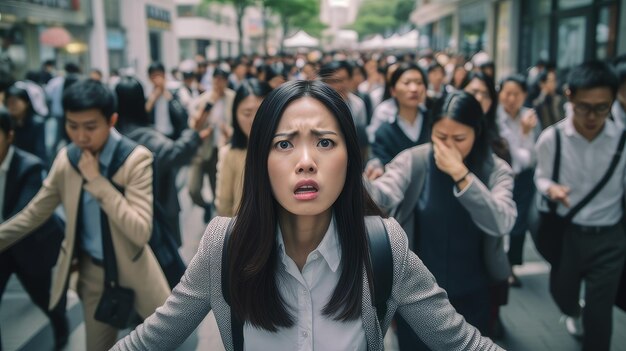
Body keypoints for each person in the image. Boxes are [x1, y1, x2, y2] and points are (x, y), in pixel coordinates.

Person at [111, 80, 502, 351]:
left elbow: (462, 342)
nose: (305, 162)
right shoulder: (223, 248)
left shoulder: (384, 247)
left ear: (351, 159)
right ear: (260, 160)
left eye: (325, 142)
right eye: (284, 144)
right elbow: (148, 341)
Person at [0, 79, 170, 351]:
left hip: (136, 270)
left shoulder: (135, 159)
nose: (80, 137)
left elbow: (140, 231)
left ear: (111, 120)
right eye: (72, 126)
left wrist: (97, 182)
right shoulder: (67, 160)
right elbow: (33, 213)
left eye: (90, 127)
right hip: (93, 274)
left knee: (162, 343)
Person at [365, 91, 516, 350]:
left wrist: (462, 175)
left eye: (459, 138)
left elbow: (502, 221)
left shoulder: (495, 169)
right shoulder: (414, 160)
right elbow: (383, 193)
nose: (448, 146)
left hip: (473, 288)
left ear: (477, 132)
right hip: (417, 295)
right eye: (440, 137)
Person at [534, 60, 626, 351]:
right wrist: (551, 189)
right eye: (584, 107)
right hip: (567, 234)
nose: (592, 116)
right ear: (569, 96)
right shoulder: (553, 138)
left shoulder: (621, 141)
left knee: (600, 315)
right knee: (562, 294)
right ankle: (574, 312)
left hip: (610, 237)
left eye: (602, 107)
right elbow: (541, 176)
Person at [115, 76, 213, 247]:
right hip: (158, 212)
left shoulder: (114, 137)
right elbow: (175, 152)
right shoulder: (146, 138)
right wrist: (194, 136)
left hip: (122, 215)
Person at [0, 110, 68, 350]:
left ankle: (61, 327)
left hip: (29, 248)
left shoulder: (29, 166)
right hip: (3, 251)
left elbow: (26, 214)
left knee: (45, 299)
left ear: (9, 136)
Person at [497, 74, 541, 287]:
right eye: (507, 93)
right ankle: (499, 266)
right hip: (499, 177)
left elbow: (530, 157)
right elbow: (508, 153)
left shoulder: (530, 117)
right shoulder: (495, 118)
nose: (511, 99)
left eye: (516, 94)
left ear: (524, 95)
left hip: (523, 179)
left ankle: (511, 268)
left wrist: (524, 133)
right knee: (500, 222)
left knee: (518, 225)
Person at [215, 78, 271, 217]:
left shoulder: (286, 150)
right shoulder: (229, 154)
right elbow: (224, 205)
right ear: (235, 115)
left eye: (261, 111)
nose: (254, 120)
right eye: (247, 113)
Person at [187, 67, 235, 222]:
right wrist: (209, 105)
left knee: (218, 191)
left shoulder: (232, 98)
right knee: (193, 189)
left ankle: (219, 224)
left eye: (222, 79)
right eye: (216, 79)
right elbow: (195, 125)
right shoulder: (203, 99)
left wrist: (229, 132)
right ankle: (206, 206)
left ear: (227, 81)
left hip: (221, 150)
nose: (219, 83)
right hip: (201, 150)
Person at [370, 62, 430, 167]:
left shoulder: (435, 122)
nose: (414, 89)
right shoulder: (385, 132)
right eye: (406, 83)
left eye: (419, 82)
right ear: (393, 91)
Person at [5, 81, 49, 164]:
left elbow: (40, 151)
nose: (12, 106)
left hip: (31, 163)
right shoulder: (8, 123)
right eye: (9, 103)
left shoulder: (37, 123)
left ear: (26, 102)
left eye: (15, 102)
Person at [145, 62, 188, 140]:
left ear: (164, 75)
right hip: (156, 135)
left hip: (174, 135)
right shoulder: (148, 94)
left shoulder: (175, 89)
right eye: (154, 76)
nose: (157, 79)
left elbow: (181, 114)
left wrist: (167, 95)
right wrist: (154, 97)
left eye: (159, 75)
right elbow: (145, 113)